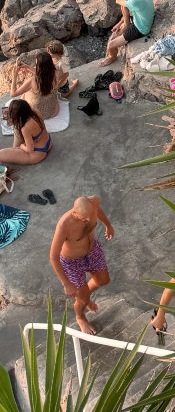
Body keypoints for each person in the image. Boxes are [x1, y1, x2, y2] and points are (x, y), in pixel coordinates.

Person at [50, 196, 113, 336]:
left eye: (92, 215)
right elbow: (53, 257)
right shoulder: (64, 225)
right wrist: (66, 283)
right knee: (83, 298)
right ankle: (80, 316)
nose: (89, 220)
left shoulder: (94, 202)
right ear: (75, 213)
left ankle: (85, 294)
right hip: (72, 262)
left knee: (103, 280)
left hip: (92, 251)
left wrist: (108, 226)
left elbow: (100, 212)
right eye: (84, 218)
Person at [100, 0, 155, 65]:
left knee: (110, 45)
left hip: (140, 29)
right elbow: (124, 4)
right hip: (141, 19)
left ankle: (112, 57)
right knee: (124, 4)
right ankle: (126, 24)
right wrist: (119, 24)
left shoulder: (135, 2)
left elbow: (117, 0)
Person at [8, 51, 61, 120]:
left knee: (26, 93)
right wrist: (27, 67)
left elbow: (13, 94)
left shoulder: (32, 81)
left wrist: (14, 76)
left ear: (38, 66)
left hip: (38, 115)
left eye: (36, 64)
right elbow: (44, 74)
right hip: (53, 110)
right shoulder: (57, 72)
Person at [0, 99, 53, 167]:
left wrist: (21, 146)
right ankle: (14, 149)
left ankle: (14, 149)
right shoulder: (35, 111)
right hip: (48, 142)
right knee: (17, 126)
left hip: (38, 153)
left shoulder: (25, 128)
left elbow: (29, 150)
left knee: (1, 154)